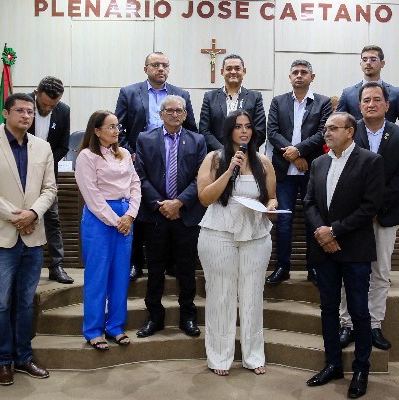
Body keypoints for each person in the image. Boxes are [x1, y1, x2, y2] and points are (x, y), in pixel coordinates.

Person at [0, 93, 56, 386]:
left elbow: (50, 189)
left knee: (25, 303)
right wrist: (17, 218)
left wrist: (32, 214)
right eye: (20, 110)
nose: (26, 115)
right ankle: (3, 361)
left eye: (30, 112)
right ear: (6, 113)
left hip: (32, 237)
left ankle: (23, 357)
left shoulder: (43, 147)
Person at [304, 112, 384, 399]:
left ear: (350, 131)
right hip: (324, 249)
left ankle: (361, 369)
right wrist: (322, 233)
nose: (327, 133)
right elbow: (309, 202)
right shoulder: (319, 162)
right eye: (325, 128)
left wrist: (334, 231)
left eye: (333, 128)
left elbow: (369, 206)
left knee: (359, 311)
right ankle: (333, 364)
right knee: (328, 309)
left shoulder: (370, 161)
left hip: (354, 248)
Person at [197, 110, 277, 376]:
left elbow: (271, 197)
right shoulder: (214, 158)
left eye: (248, 126)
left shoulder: (263, 162)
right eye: (238, 126)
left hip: (256, 234)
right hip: (218, 233)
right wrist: (230, 169)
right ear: (229, 130)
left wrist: (272, 206)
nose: (244, 131)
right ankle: (220, 357)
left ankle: (253, 356)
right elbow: (205, 198)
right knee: (221, 296)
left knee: (252, 295)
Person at [339, 82, 399, 351]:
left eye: (377, 100)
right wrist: (361, 209)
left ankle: (373, 324)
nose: (371, 104)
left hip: (385, 214)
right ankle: (347, 324)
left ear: (387, 105)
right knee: (349, 271)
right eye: (366, 100)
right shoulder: (348, 131)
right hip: (352, 214)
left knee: (380, 271)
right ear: (359, 106)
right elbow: (341, 173)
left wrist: (373, 206)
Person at [116, 52, 197, 281]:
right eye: (155, 65)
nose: (160, 68)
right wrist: (129, 153)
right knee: (140, 209)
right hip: (139, 160)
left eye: (164, 65)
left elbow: (191, 128)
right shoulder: (129, 93)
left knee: (170, 209)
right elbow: (118, 127)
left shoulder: (181, 95)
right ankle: (136, 262)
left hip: (172, 158)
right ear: (146, 69)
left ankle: (171, 262)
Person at [134, 95, 206, 338]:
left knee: (186, 269)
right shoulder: (145, 139)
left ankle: (188, 317)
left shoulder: (197, 140)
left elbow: (200, 177)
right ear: (161, 114)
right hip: (155, 215)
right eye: (170, 110)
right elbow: (140, 175)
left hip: (186, 215)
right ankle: (154, 317)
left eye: (179, 111)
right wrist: (161, 205)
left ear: (185, 115)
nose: (175, 114)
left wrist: (179, 203)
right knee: (155, 270)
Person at [75, 110, 141, 350]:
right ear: (96, 131)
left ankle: (115, 326)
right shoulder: (87, 156)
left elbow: (135, 184)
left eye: (117, 126)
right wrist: (117, 220)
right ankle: (93, 330)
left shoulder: (123, 153)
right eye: (111, 127)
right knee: (98, 275)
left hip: (125, 215)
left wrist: (130, 215)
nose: (116, 131)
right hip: (100, 219)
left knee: (120, 275)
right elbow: (92, 196)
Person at [265, 60, 332, 285]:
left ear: (312, 77)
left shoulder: (323, 102)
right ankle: (282, 267)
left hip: (312, 171)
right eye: (295, 72)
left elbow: (323, 133)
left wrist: (300, 151)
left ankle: (313, 268)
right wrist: (294, 155)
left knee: (313, 221)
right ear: (290, 77)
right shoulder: (278, 101)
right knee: (284, 221)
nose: (299, 75)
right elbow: (272, 132)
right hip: (284, 173)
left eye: (304, 72)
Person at [28, 76, 74, 284]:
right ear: (36, 93)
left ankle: (56, 266)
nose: (47, 109)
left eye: (52, 105)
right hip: (19, 172)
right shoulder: (22, 104)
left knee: (52, 219)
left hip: (48, 174)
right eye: (44, 104)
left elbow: (63, 145)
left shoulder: (63, 110)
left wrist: (43, 164)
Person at [337, 45, 399, 144]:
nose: (368, 62)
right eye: (364, 59)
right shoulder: (348, 94)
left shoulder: (396, 94)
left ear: (382, 63)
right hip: (356, 149)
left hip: (387, 147)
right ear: (360, 63)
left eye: (373, 59)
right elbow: (337, 124)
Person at [199, 54, 266, 151]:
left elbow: (260, 131)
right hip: (217, 154)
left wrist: (242, 151)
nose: (233, 72)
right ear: (222, 72)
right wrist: (223, 152)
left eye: (237, 68)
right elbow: (204, 130)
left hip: (247, 155)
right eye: (229, 69)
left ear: (244, 71)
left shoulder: (255, 97)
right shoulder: (210, 97)